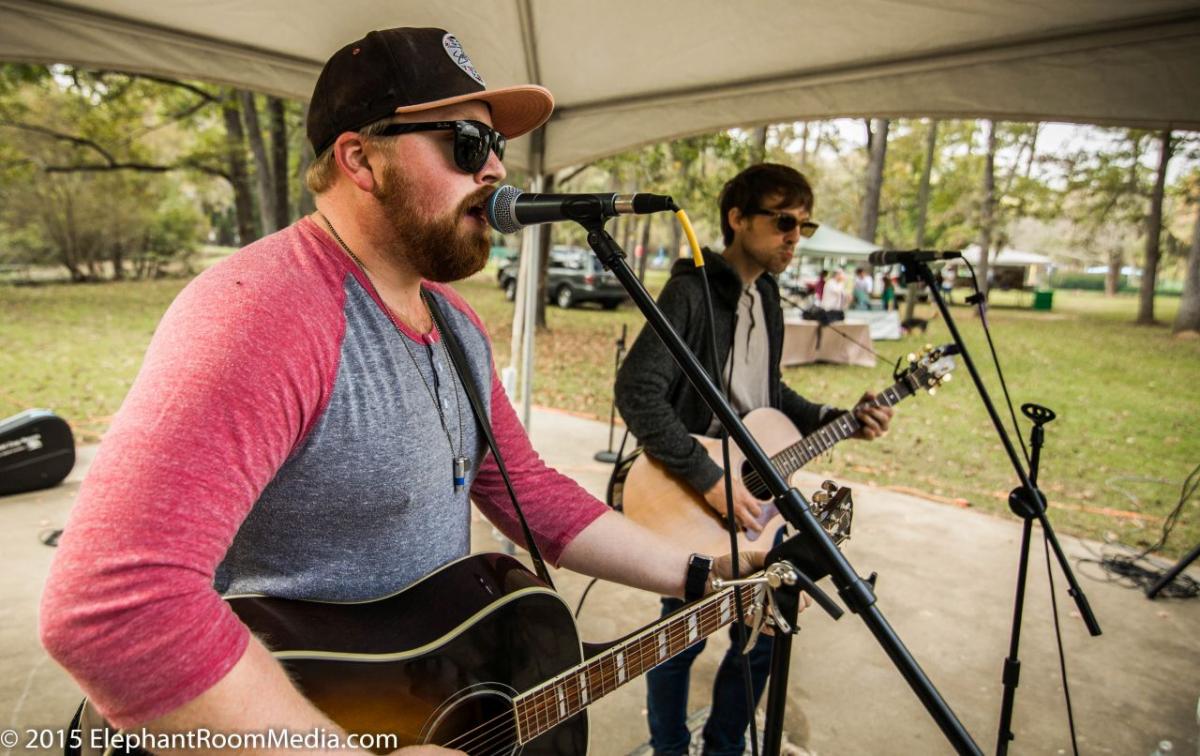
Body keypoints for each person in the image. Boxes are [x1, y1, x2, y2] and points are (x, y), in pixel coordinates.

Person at [39, 28, 773, 755]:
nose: (493, 174)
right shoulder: (265, 313)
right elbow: (112, 610)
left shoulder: (455, 325)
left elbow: (530, 491)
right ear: (361, 158)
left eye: (498, 149)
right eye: (465, 143)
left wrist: (701, 571)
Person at [614, 164, 894, 756]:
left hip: (757, 499)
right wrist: (710, 479)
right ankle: (668, 749)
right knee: (678, 638)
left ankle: (722, 748)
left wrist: (837, 417)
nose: (796, 236)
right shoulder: (691, 290)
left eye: (804, 225)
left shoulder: (765, 294)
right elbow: (637, 391)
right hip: (694, 496)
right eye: (783, 221)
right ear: (737, 219)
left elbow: (767, 397)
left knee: (765, 634)